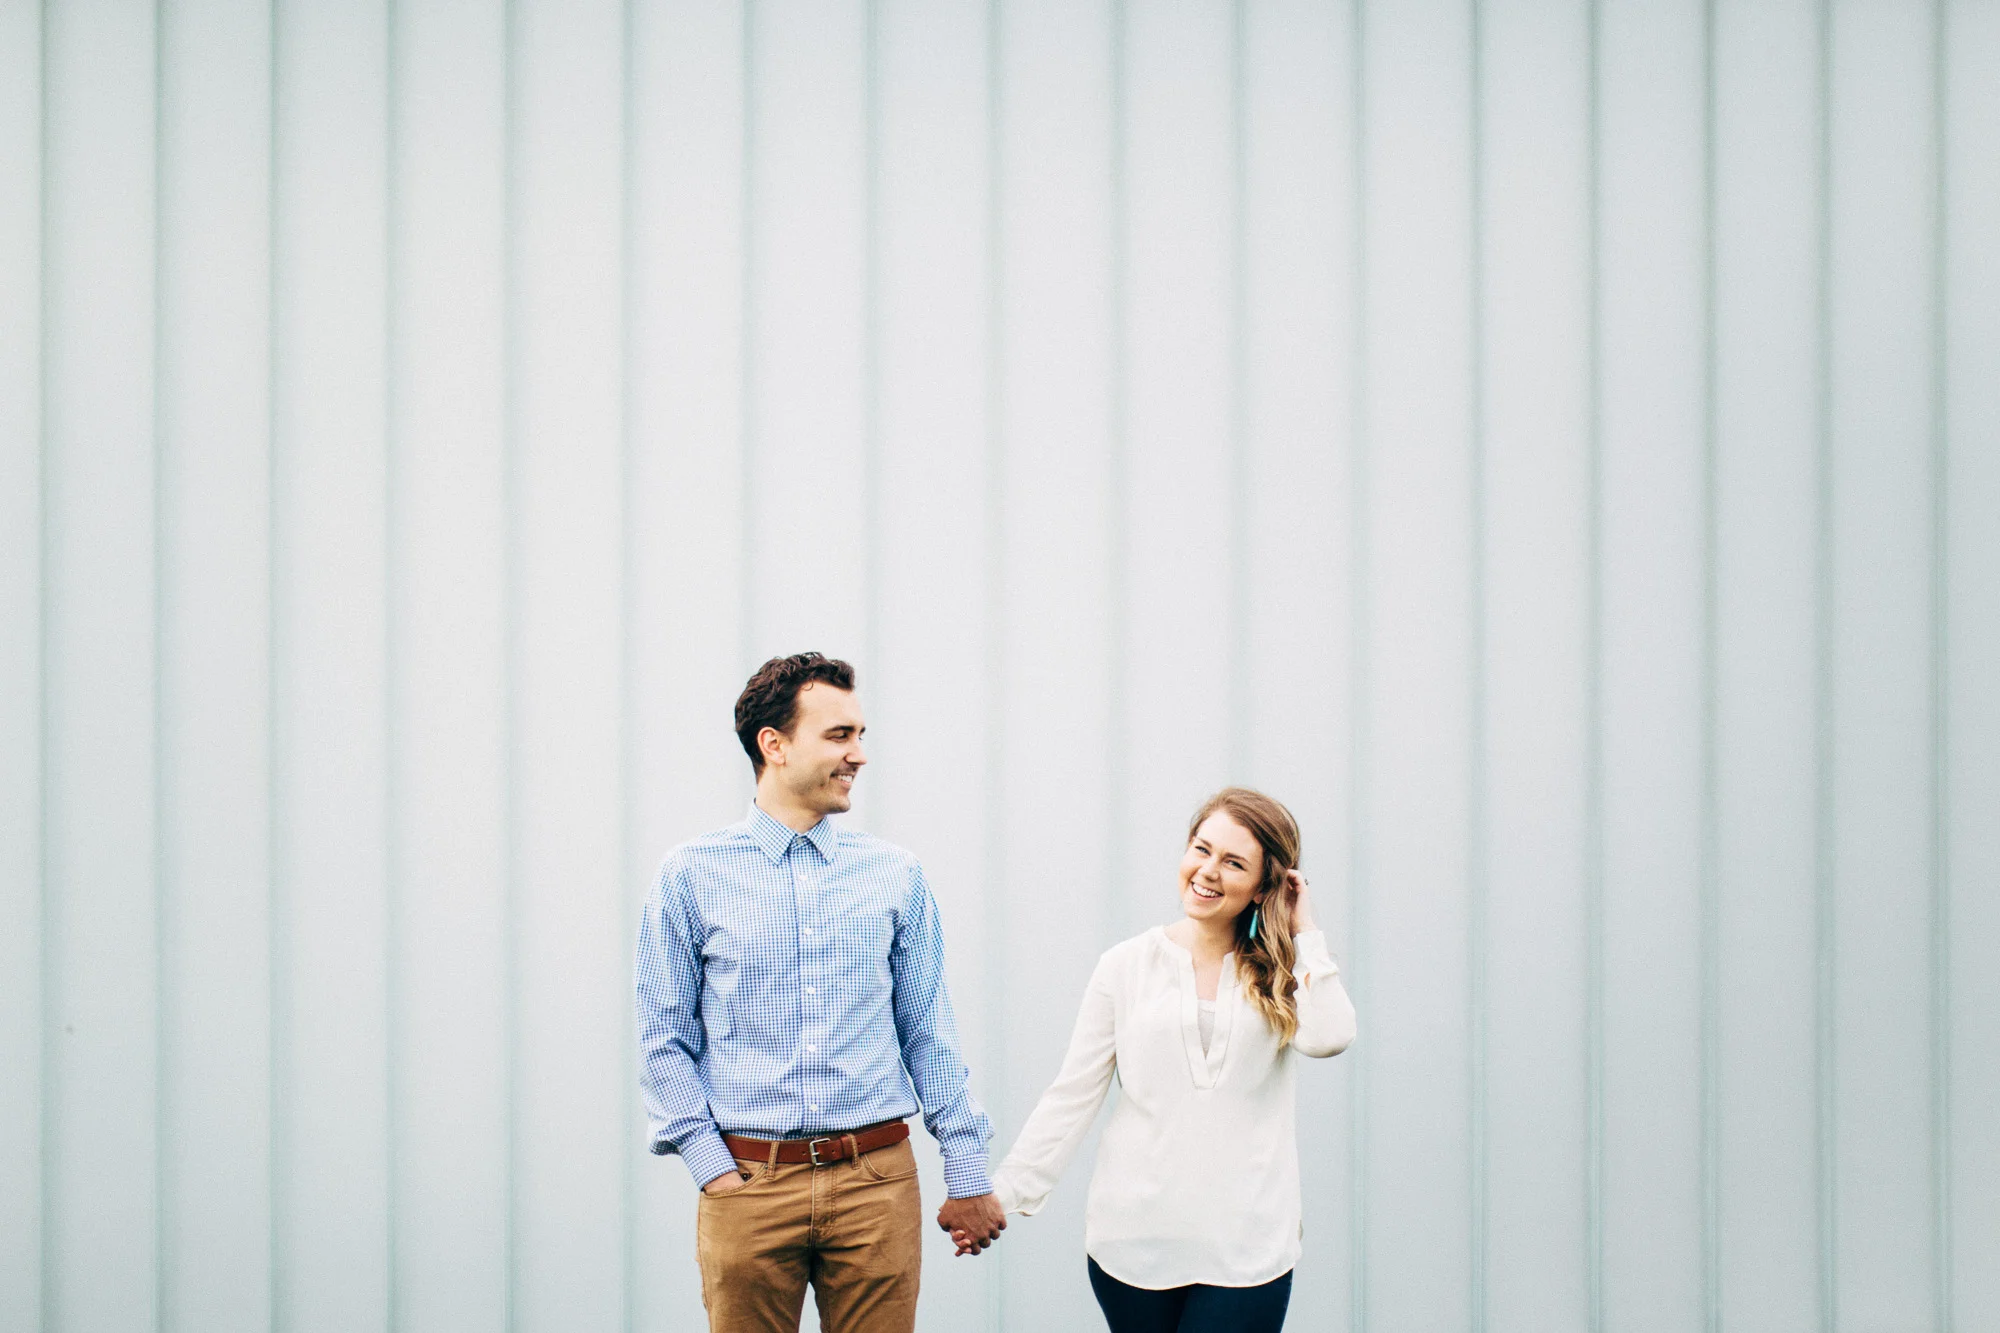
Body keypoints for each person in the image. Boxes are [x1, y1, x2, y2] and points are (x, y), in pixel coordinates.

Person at [636, 652, 1008, 1333]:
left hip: (877, 1185)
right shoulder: (690, 875)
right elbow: (664, 1039)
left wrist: (967, 1165)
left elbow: (927, 1029)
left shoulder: (895, 874)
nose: (859, 754)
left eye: (860, 734)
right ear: (773, 745)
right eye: (839, 735)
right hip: (748, 1184)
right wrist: (711, 1165)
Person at [952, 787, 1357, 1333]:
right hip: (1133, 1247)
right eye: (1201, 848)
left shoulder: (1283, 974)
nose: (1207, 871)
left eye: (1233, 862)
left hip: (1248, 1248)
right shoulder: (1125, 966)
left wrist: (1305, 931)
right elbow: (1074, 1095)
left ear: (1265, 887)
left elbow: (1330, 1036)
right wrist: (1002, 1192)